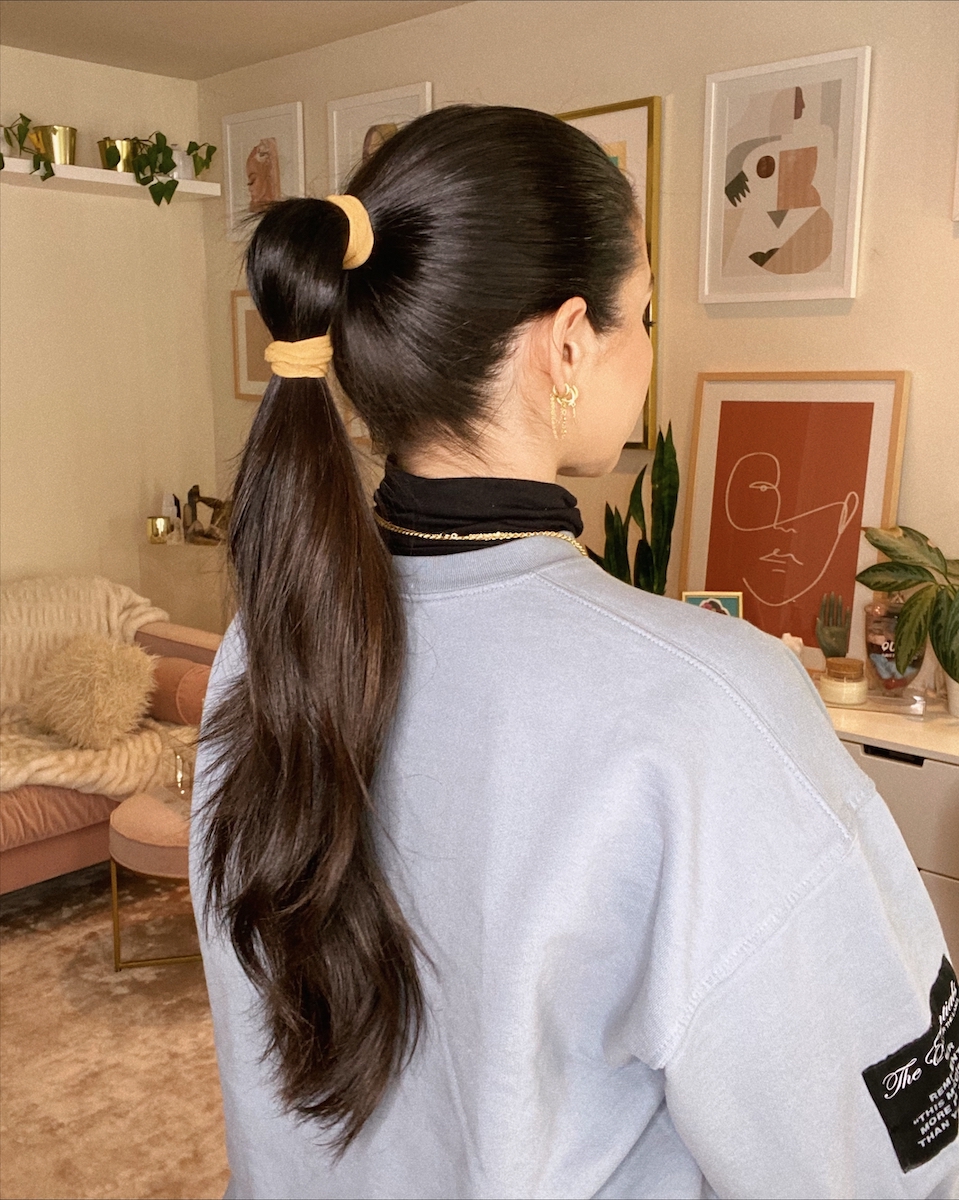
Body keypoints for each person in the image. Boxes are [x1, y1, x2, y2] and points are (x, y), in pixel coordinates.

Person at [190, 105, 957, 1199]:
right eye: (639, 315)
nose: (643, 352)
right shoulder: (704, 704)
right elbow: (882, 1164)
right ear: (565, 346)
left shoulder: (263, 647)